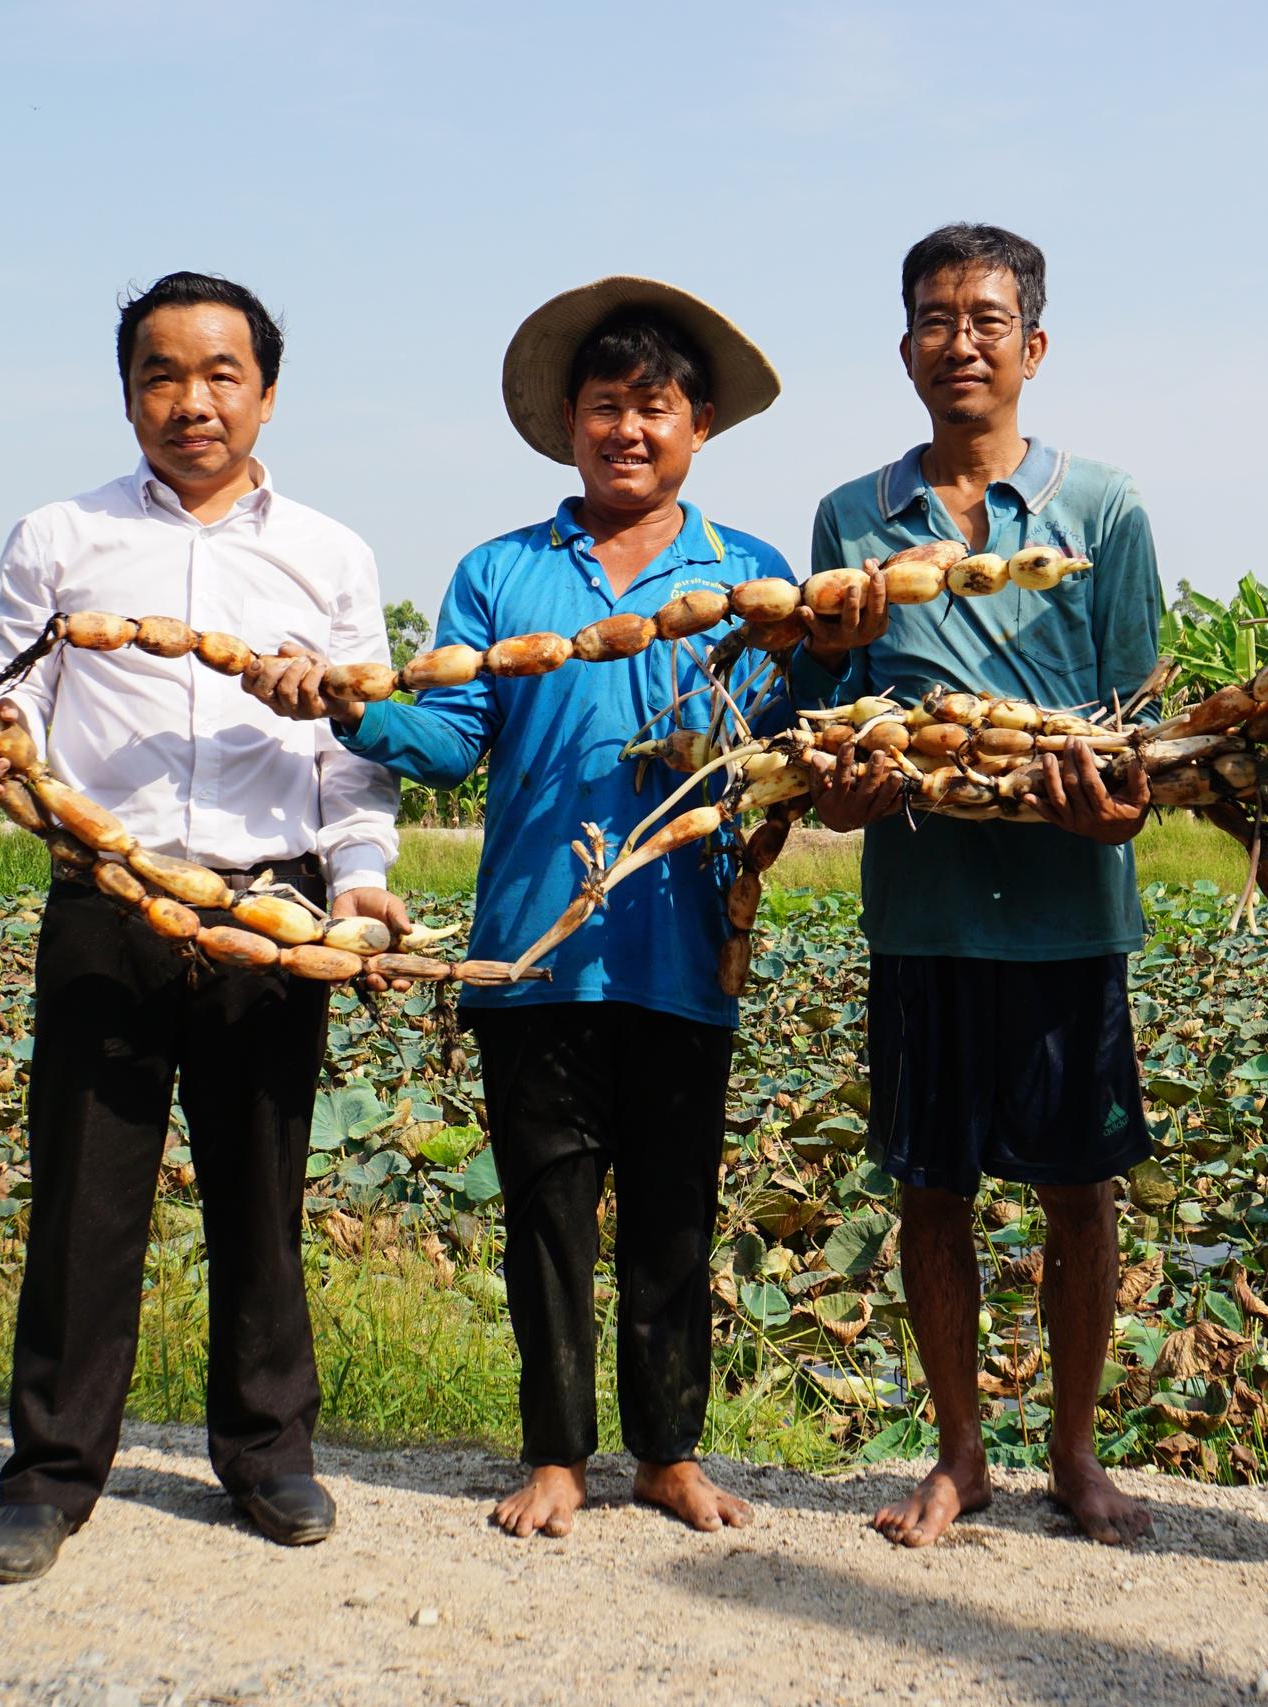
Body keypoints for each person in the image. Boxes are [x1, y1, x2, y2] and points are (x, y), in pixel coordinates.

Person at [246, 278, 787, 1539]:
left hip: (685, 944)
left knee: (673, 1214)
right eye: (605, 408)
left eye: (654, 409)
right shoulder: (499, 575)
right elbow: (446, 737)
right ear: (566, 423)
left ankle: (668, 1452)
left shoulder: (751, 579)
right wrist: (344, 700)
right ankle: (556, 1454)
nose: (628, 432)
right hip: (533, 953)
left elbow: (786, 742)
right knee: (547, 1211)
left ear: (697, 425)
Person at [0, 271, 410, 1583]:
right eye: (162, 373)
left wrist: (359, 878)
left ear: (266, 389)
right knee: (87, 1200)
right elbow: (11, 705)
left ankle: (268, 1454)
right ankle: (48, 1474)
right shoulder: (58, 539)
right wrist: (7, 759)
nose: (190, 400)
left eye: (219, 373)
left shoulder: (330, 553)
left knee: (262, 1195)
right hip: (109, 896)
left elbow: (350, 752)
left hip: (269, 904)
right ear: (128, 391)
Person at [795, 224, 1163, 1548]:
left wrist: (1118, 800)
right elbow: (829, 709)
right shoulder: (853, 516)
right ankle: (961, 1450)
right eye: (937, 320)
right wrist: (840, 784)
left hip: (1069, 912)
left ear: (1034, 346)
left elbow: (1142, 724)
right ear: (906, 350)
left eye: (988, 320)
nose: (962, 341)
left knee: (1081, 1190)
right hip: (925, 910)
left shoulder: (1105, 509)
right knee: (929, 1185)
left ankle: (1072, 1451)